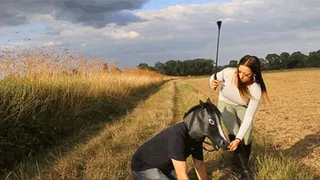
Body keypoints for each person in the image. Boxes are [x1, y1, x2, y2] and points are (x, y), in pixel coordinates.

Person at [131, 99, 229, 180]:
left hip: (166, 166)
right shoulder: (177, 136)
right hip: (144, 166)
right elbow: (181, 176)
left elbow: (199, 164)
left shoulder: (196, 136)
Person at [209, 55, 269, 179]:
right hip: (225, 103)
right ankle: (242, 171)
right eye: (239, 71)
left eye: (246, 74)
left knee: (245, 137)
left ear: (254, 74)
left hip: (242, 106)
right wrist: (212, 83)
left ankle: (242, 164)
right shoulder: (227, 72)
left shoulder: (255, 89)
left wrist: (239, 139)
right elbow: (213, 78)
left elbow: (248, 118)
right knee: (234, 132)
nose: (241, 76)